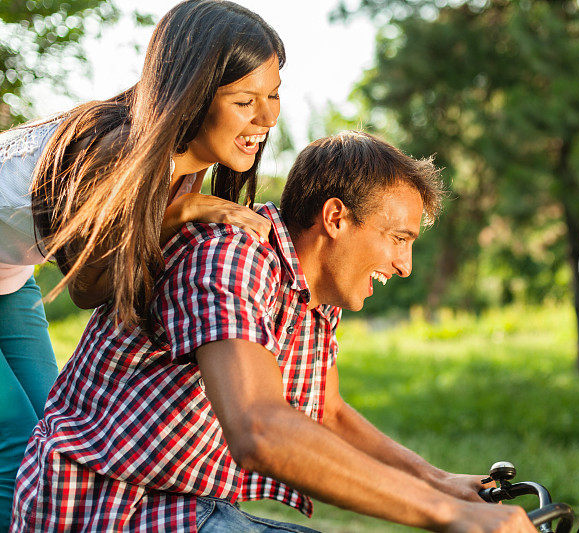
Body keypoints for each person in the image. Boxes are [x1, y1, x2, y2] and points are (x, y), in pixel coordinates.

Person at [11, 131, 537, 532]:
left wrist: (439, 481)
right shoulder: (234, 259)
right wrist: (445, 514)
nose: (406, 265)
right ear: (335, 218)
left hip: (177, 505)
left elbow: (325, 414)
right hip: (109, 508)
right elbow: (260, 430)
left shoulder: (312, 298)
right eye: (398, 238)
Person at [0, 1, 281, 529]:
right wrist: (177, 213)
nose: (266, 118)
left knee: (46, 437)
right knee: (13, 441)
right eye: (246, 100)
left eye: (273, 95)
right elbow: (86, 286)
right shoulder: (121, 150)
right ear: (193, 91)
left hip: (7, 279)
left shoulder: (182, 161)